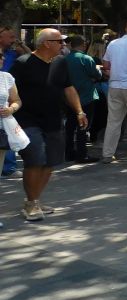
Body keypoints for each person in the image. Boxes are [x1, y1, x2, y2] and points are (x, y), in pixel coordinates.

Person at [12, 28, 88, 221]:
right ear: (46, 43)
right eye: (59, 41)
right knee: (35, 160)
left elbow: (68, 88)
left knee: (50, 162)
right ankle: (31, 203)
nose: (63, 45)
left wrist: (79, 111)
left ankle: (34, 200)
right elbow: (10, 89)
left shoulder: (61, 62)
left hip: (54, 119)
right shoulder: (23, 63)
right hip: (28, 120)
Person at [100, 20, 127, 163]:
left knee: (113, 121)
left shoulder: (113, 44)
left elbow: (105, 65)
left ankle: (107, 154)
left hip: (115, 85)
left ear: (125, 29)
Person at [63, 35, 101, 163]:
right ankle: (82, 154)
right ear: (84, 44)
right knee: (83, 127)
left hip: (69, 99)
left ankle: (69, 153)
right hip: (86, 97)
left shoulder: (65, 59)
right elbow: (97, 75)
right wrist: (97, 71)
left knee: (70, 126)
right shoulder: (86, 58)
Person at [1, 26, 22, 178]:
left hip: (6, 99)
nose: (13, 40)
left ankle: (9, 167)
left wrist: (22, 45)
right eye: (10, 37)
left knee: (5, 136)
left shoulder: (12, 53)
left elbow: (31, 57)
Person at [0, 63, 23, 189]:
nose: (2, 58)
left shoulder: (6, 77)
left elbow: (16, 100)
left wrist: (10, 109)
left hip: (1, 130)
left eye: (2, 56)